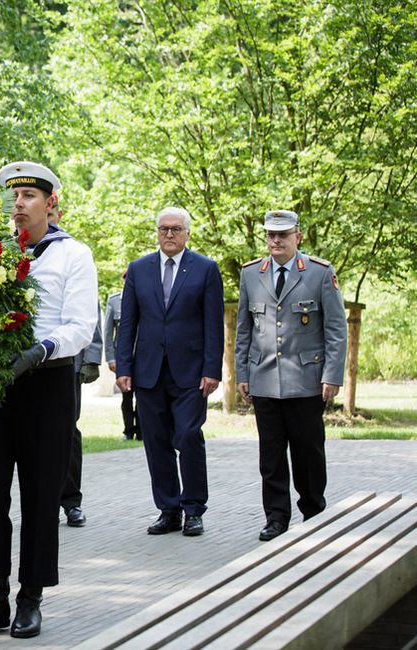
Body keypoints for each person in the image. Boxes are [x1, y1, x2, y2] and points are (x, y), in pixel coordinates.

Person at [0, 162, 97, 639]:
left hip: (46, 384)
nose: (17, 204)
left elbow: (82, 325)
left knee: (41, 497)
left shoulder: (73, 254)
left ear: (51, 202)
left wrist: (41, 350)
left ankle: (30, 598)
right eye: (13, 197)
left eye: (29, 196)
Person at [235, 209, 347, 542]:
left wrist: (332, 375)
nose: (276, 241)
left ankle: (313, 514)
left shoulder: (318, 273)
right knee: (270, 455)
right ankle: (276, 517)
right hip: (265, 378)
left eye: (283, 235)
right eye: (271, 235)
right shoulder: (251, 274)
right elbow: (244, 329)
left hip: (306, 380)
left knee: (308, 452)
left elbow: (336, 329)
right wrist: (242, 373)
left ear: (297, 236)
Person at [115, 207, 224, 538]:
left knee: (189, 437)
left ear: (188, 233)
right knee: (156, 441)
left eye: (176, 229)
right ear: (157, 232)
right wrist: (124, 367)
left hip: (191, 372)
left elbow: (213, 324)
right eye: (164, 229)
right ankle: (168, 509)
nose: (169, 235)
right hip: (148, 371)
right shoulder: (138, 269)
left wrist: (212, 369)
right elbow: (128, 322)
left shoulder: (205, 269)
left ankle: (193, 509)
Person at [47, 196, 101, 528]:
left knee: (69, 432)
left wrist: (91, 359)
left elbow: (89, 313)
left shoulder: (73, 254)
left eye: (51, 214)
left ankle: (71, 500)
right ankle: (45, 499)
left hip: (70, 361)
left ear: (57, 213)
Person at [104, 272, 140, 440]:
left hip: (142, 357)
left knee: (142, 396)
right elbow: (108, 332)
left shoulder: (144, 298)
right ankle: (128, 430)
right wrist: (111, 358)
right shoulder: (114, 300)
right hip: (123, 359)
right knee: (126, 397)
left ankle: (141, 431)